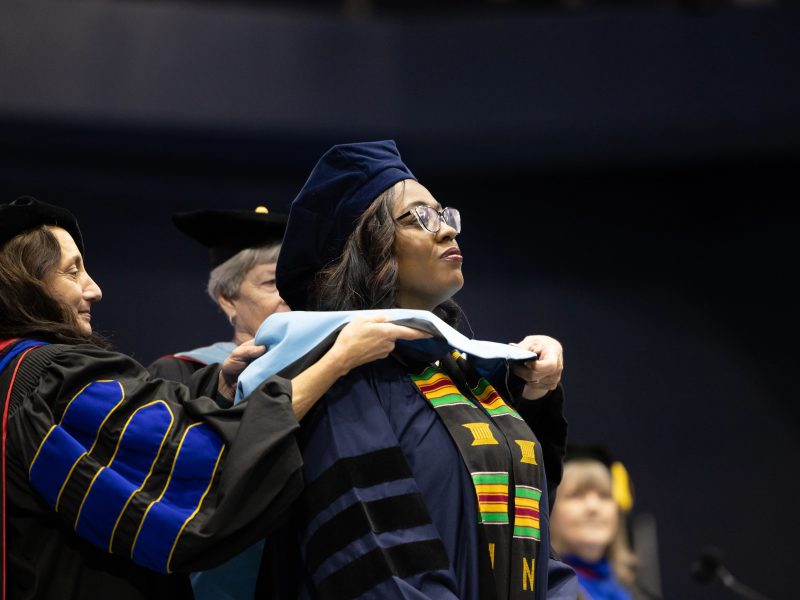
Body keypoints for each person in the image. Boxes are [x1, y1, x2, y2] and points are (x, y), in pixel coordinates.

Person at [0, 196, 428, 599]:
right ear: (24, 284)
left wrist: (221, 387)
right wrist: (338, 359)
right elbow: (198, 461)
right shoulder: (53, 378)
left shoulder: (14, 372)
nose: (94, 289)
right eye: (72, 272)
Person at [237, 140, 577, 599]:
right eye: (419, 217)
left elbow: (529, 543)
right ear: (368, 247)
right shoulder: (344, 378)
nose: (447, 231)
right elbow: (378, 559)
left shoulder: (470, 378)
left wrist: (534, 395)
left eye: (444, 214)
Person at [147, 206, 289, 389]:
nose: (289, 295)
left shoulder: (323, 367)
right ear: (228, 299)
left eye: (295, 283)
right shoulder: (181, 374)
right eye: (271, 283)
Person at [549, 444, 646, 600]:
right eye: (576, 495)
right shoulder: (543, 590)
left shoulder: (637, 594)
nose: (593, 507)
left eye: (604, 495)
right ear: (550, 508)